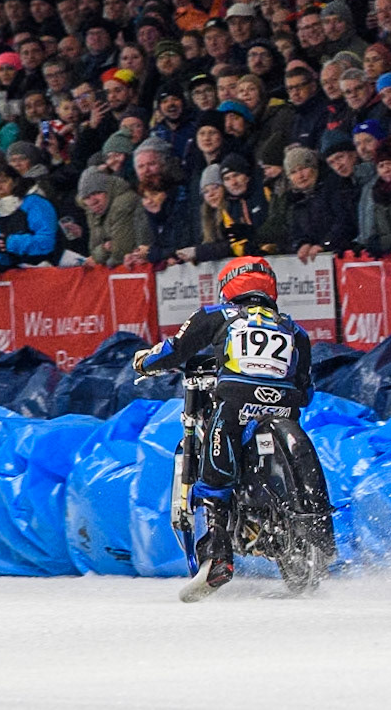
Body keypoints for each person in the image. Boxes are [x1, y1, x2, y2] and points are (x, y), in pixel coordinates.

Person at [132, 256, 313, 601]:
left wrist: (144, 361)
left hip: (236, 400)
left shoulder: (218, 315)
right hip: (285, 405)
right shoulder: (293, 328)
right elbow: (306, 387)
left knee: (216, 464)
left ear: (229, 287)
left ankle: (217, 552)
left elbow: (173, 351)